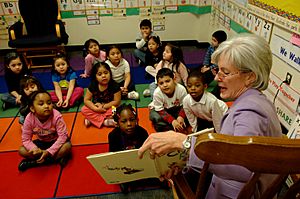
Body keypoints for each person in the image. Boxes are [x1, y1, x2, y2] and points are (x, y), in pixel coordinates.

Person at [138, 34, 282, 199]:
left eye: (225, 72)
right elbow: (232, 152)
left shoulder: (250, 112)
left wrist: (183, 143)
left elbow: (243, 167)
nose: (216, 77)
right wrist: (184, 160)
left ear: (250, 77)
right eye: (218, 70)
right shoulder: (254, 100)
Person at [18, 90, 72, 171]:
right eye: (41, 104)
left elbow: (62, 137)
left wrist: (49, 152)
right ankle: (54, 160)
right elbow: (26, 139)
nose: (46, 106)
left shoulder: (56, 116)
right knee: (22, 150)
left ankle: (36, 162)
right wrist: (35, 149)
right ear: (32, 108)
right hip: (41, 143)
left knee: (67, 147)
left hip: (56, 142)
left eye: (49, 103)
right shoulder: (29, 119)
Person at [81, 62, 121, 128]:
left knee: (117, 110)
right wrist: (95, 109)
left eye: (106, 73)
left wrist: (104, 106)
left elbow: (116, 101)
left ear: (110, 73)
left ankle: (92, 120)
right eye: (100, 74)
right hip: (96, 107)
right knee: (83, 109)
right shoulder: (93, 85)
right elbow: (86, 100)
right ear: (95, 77)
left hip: (108, 107)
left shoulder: (115, 85)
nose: (103, 76)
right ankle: (105, 121)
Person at [149, 68, 188, 133]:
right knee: (155, 116)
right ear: (158, 85)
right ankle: (169, 127)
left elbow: (185, 105)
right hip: (163, 110)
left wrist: (181, 116)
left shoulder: (181, 89)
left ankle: (177, 124)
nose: (165, 85)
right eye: (161, 83)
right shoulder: (157, 93)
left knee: (191, 111)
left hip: (176, 108)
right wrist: (172, 121)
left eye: (167, 81)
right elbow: (160, 110)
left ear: (174, 80)